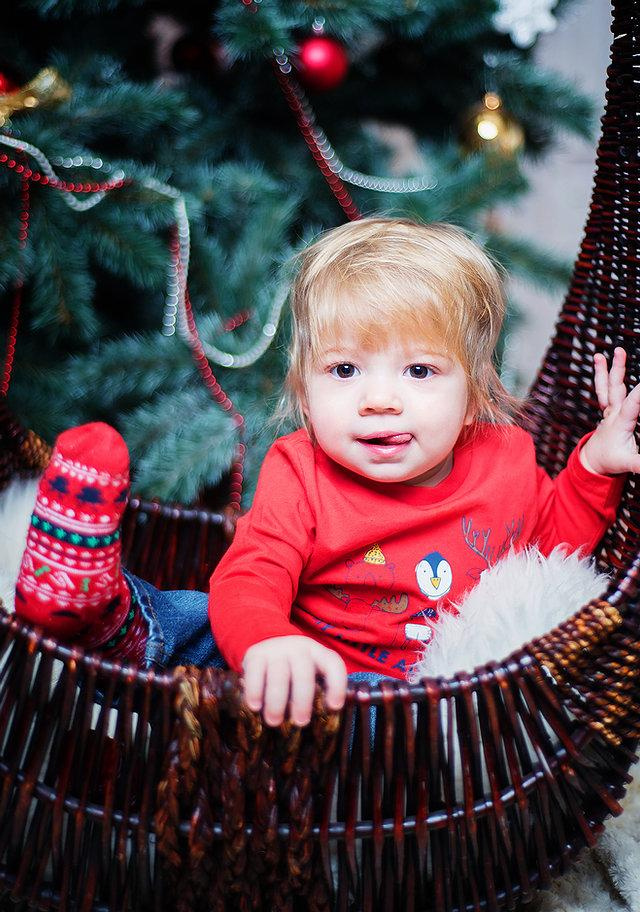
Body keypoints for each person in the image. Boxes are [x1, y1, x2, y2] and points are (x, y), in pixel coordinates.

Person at [14, 218, 640, 729]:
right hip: (284, 658)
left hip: (396, 699)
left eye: (419, 372)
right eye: (345, 371)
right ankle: (107, 613)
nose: (378, 400)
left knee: (410, 718)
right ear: (305, 393)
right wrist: (266, 642)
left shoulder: (503, 458)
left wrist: (594, 465)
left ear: (475, 392)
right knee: (198, 617)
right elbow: (252, 574)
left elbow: (550, 555)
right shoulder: (301, 469)